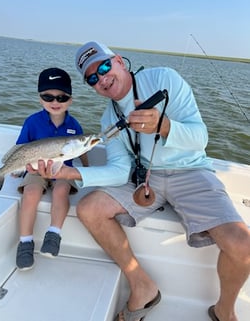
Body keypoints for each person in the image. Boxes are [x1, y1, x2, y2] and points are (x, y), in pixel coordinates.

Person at [27, 43, 250, 321]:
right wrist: (71, 174)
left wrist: (165, 126)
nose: (102, 79)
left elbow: (200, 138)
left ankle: (224, 311)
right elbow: (120, 170)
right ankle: (142, 286)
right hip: (145, 177)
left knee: (243, 245)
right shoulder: (110, 117)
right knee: (89, 209)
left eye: (105, 67)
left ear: (119, 61)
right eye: (92, 79)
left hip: (191, 170)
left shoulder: (164, 79)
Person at [16, 67, 88, 271]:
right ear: (40, 98)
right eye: (48, 97)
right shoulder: (31, 122)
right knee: (30, 192)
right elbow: (21, 148)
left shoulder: (75, 125)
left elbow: (82, 148)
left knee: (62, 189)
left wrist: (88, 169)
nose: (55, 102)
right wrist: (18, 168)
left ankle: (54, 234)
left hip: (63, 170)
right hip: (36, 170)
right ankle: (25, 242)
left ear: (70, 100)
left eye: (62, 97)